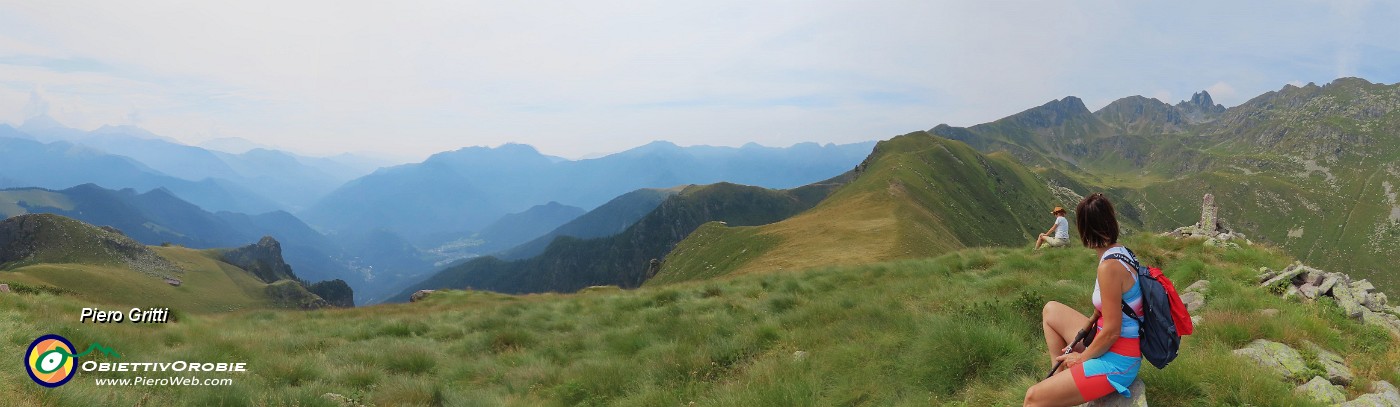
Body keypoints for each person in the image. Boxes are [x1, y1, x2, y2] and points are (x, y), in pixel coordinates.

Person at [1024, 194, 1143, 407]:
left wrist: (1082, 357)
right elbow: (1113, 307)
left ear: (1084, 229)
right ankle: (1059, 384)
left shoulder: (1109, 267)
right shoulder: (1122, 253)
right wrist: (1089, 323)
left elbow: (1113, 330)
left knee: (1032, 398)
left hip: (1119, 360)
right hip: (1110, 342)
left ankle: (1054, 391)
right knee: (1051, 310)